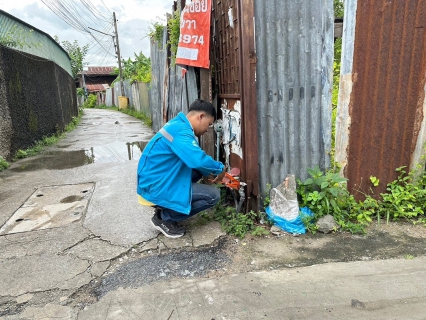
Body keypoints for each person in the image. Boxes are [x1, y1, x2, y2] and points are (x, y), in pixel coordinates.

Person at [137, 99, 226, 238]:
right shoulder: (181, 131)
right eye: (208, 125)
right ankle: (164, 218)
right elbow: (197, 160)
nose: (207, 130)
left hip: (157, 180)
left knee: (198, 171)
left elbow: (195, 162)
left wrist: (207, 171)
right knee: (213, 196)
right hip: (156, 187)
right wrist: (220, 169)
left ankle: (168, 207)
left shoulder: (178, 125)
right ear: (200, 116)